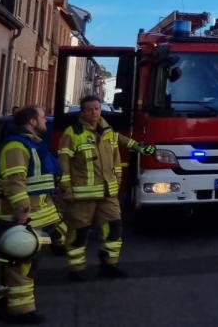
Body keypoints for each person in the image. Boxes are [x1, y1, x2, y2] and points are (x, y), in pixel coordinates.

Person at [56, 95, 154, 281]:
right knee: (79, 233)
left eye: (97, 108)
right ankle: (75, 269)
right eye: (89, 109)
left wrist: (146, 149)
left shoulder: (107, 130)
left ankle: (109, 265)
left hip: (108, 193)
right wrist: (66, 188)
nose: (94, 112)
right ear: (82, 112)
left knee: (114, 228)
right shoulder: (72, 133)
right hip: (82, 195)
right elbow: (64, 162)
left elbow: (126, 141)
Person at [0, 105, 62, 323]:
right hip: (18, 217)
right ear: (32, 121)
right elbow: (15, 182)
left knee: (24, 264)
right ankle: (20, 311)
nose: (45, 121)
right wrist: (21, 211)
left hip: (37, 216)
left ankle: (5, 305)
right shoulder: (16, 146)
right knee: (19, 264)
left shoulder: (32, 144)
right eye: (42, 117)